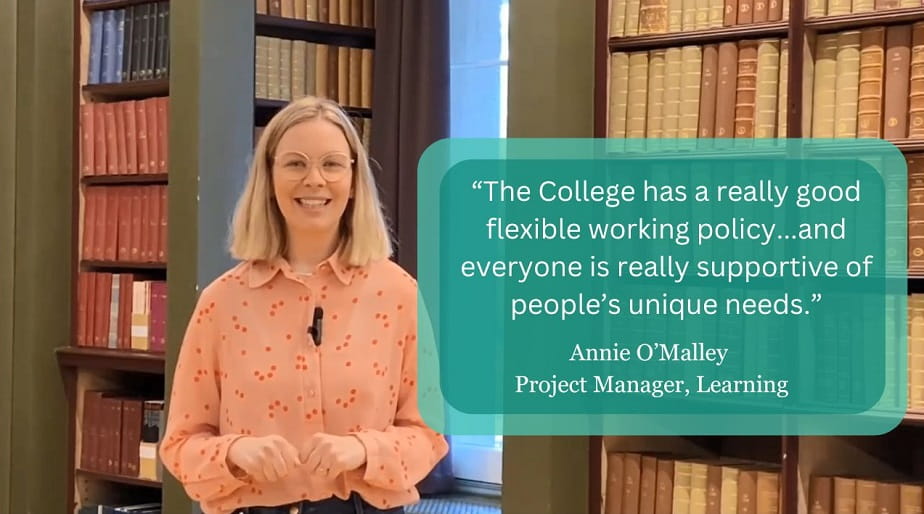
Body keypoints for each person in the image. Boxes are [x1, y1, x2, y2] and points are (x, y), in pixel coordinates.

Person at [159, 95, 449, 514]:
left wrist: (362, 449)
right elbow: (180, 445)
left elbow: (429, 436)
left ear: (353, 180)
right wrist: (236, 453)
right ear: (269, 177)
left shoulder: (398, 293)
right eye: (295, 163)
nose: (314, 179)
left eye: (331, 164)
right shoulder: (222, 302)